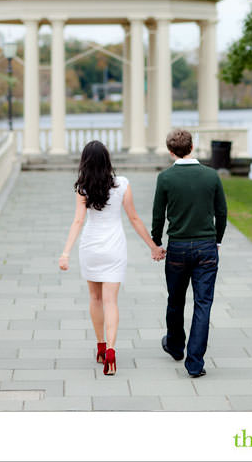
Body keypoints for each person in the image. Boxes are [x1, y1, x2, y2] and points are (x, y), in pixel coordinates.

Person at [59, 140, 165, 375]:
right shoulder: (122, 184)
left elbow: (78, 221)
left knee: (95, 299)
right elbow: (134, 219)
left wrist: (65, 252)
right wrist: (153, 246)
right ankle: (111, 352)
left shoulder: (82, 188)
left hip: (90, 248)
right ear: (107, 160)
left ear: (84, 162)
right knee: (111, 302)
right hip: (114, 247)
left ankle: (100, 346)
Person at [152, 128, 227, 378]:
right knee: (203, 303)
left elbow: (158, 215)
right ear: (192, 147)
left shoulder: (165, 178)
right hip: (206, 246)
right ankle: (195, 362)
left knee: (175, 299)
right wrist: (217, 240)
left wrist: (156, 241)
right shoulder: (211, 176)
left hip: (178, 247)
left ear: (171, 151)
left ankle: (175, 345)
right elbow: (222, 212)